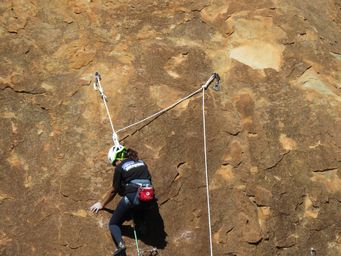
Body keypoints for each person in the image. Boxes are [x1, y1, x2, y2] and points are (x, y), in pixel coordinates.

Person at [90, 145, 153, 256]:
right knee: (139, 206)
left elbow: (114, 190)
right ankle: (142, 224)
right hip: (148, 196)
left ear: (118, 158)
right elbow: (148, 179)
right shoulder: (142, 162)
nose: (115, 165)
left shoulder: (120, 168)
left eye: (114, 163)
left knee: (113, 224)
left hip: (133, 197)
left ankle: (121, 245)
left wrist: (102, 204)